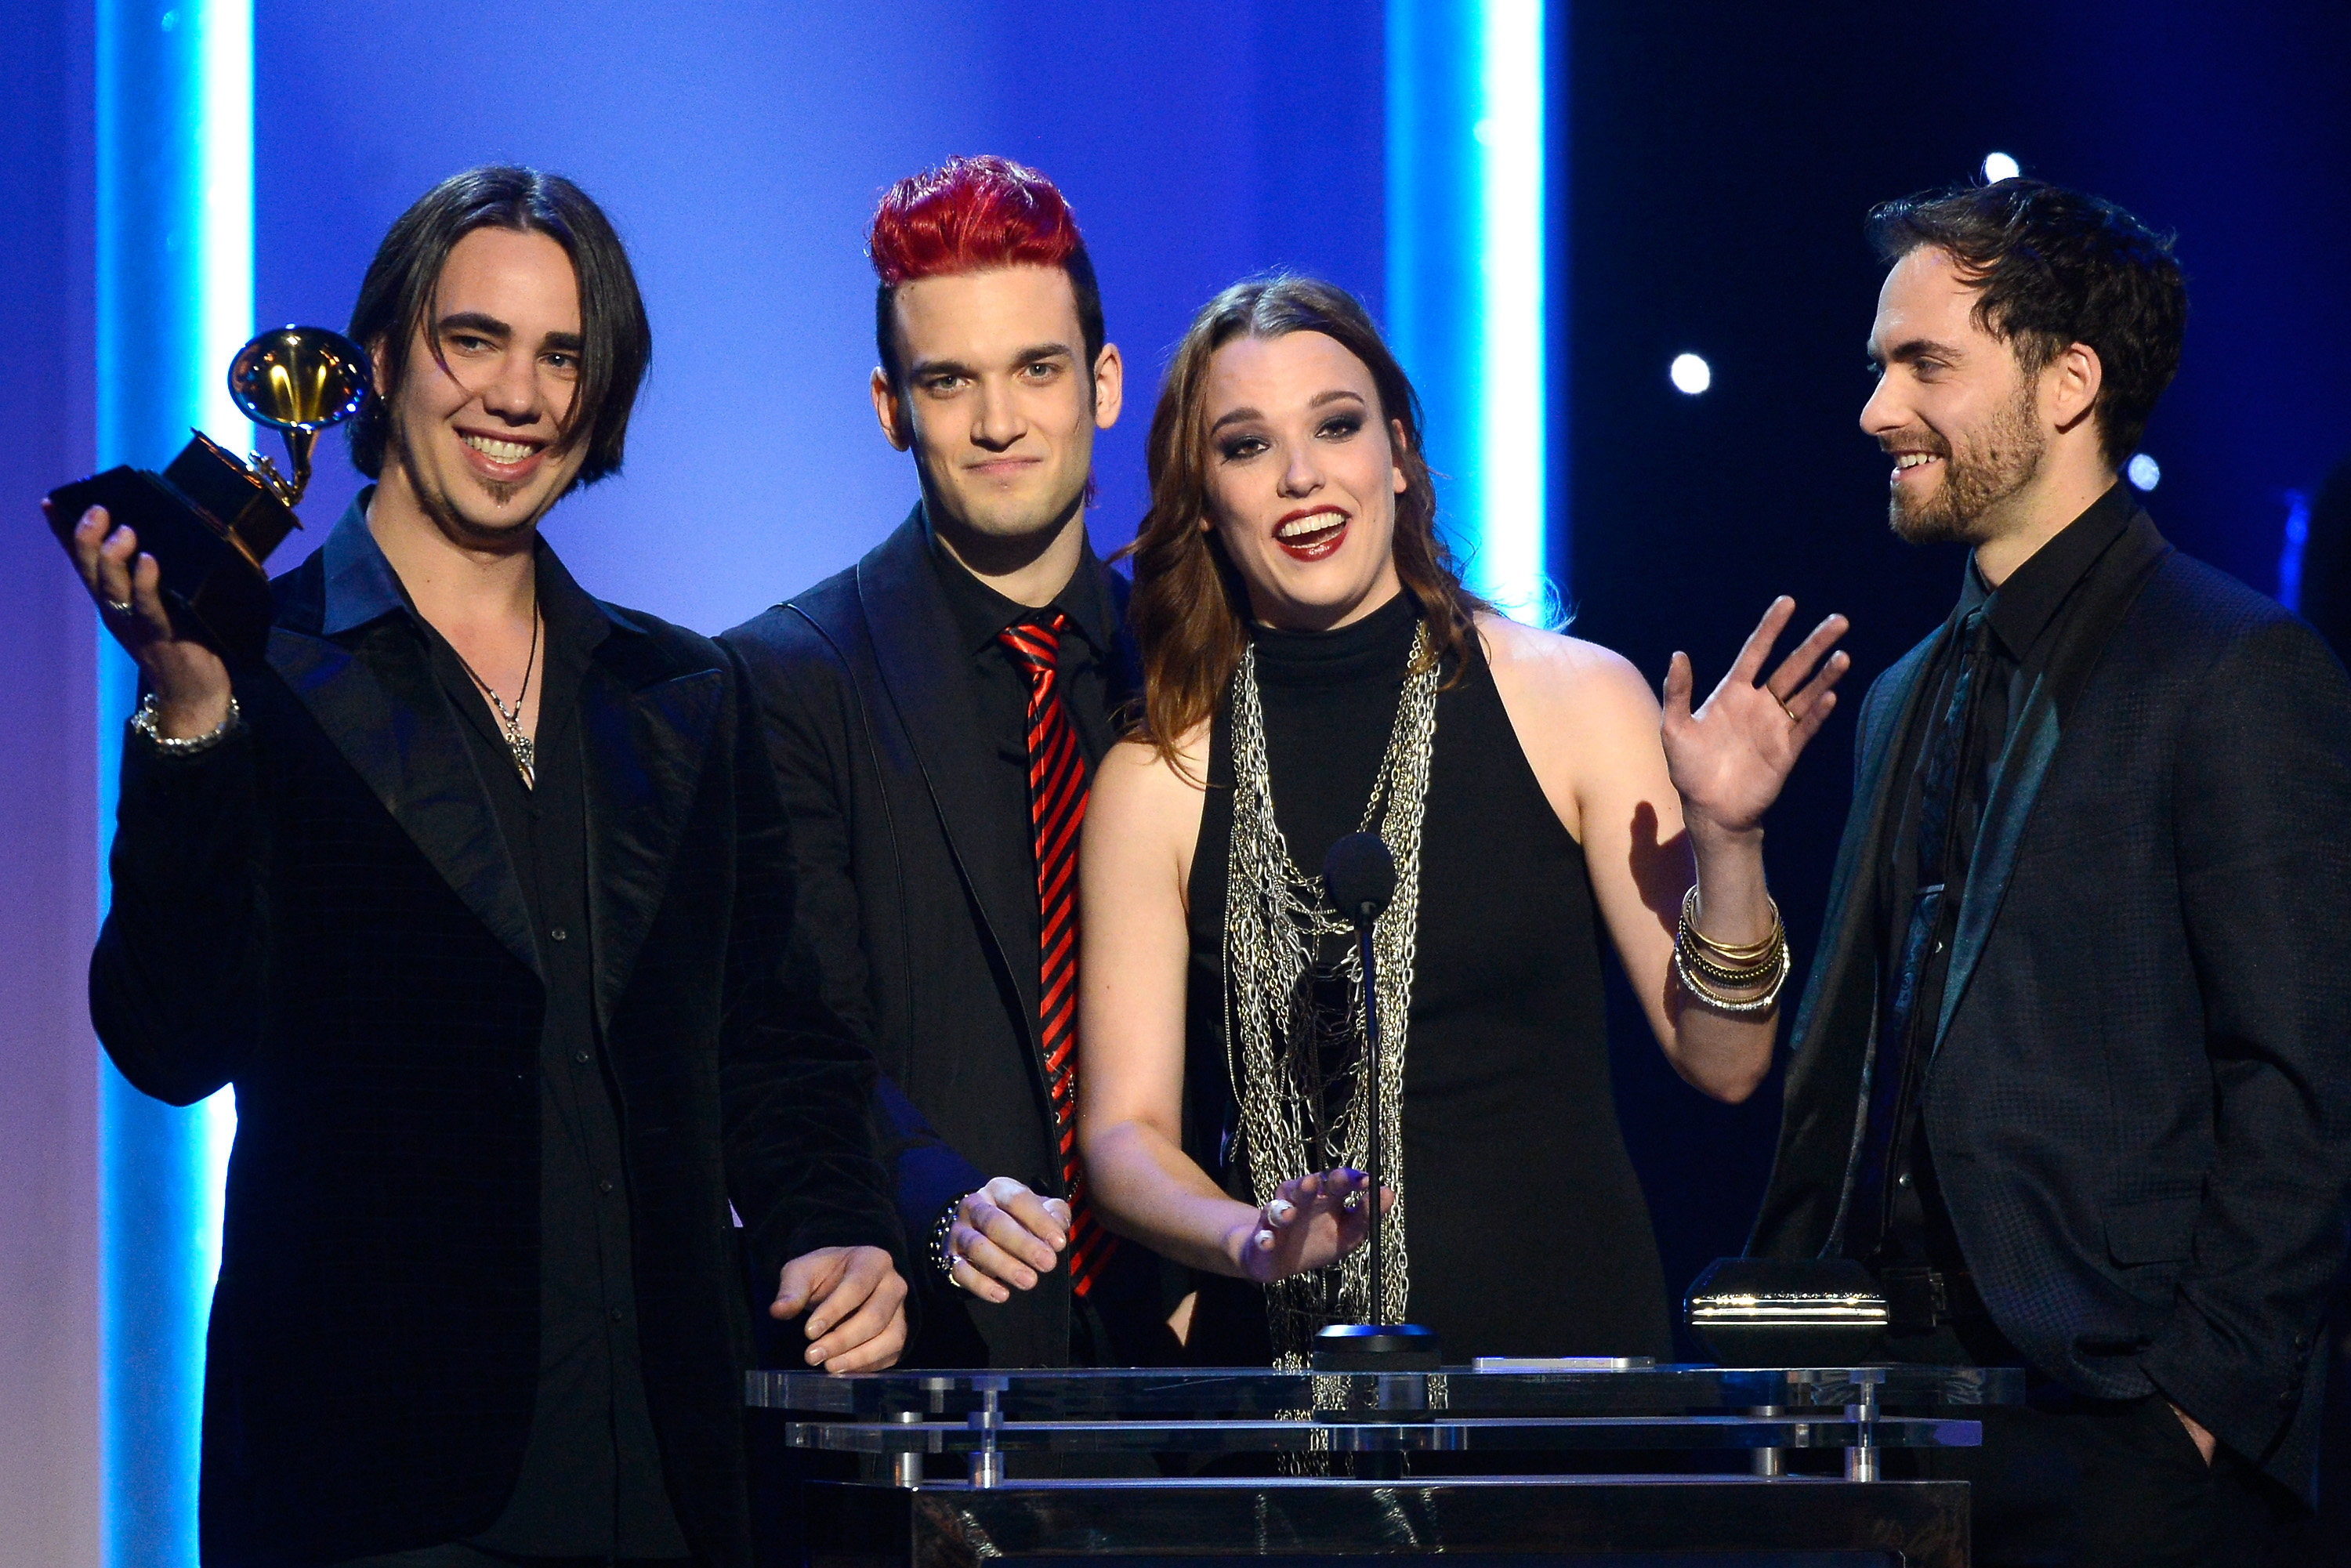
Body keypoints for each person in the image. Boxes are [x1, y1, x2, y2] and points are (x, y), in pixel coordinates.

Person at [55, 166, 907, 1568]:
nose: (517, 394)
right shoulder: (256, 673)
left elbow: (782, 1035)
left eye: (561, 353)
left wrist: (837, 1220)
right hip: (371, 1488)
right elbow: (168, 1040)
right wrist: (192, 716)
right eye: (475, 340)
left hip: (673, 1474)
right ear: (384, 361)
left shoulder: (685, 693)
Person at [1075, 274, 1848, 1366]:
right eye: (1247, 446)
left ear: (1396, 451)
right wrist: (1244, 1236)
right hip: (1287, 1404)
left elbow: (1723, 1061)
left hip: (1554, 1383)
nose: (1302, 476)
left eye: (1336, 427)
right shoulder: (1157, 780)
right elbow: (1123, 1137)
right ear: (1202, 497)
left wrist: (1728, 842)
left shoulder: (1573, 698)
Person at [1746, 178, 2351, 1566]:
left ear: (2069, 381)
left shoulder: (2234, 668)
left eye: (1925, 364)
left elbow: (2305, 1078)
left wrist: (2198, 1401)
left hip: (2120, 1433)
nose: (1876, 409)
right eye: (1879, 367)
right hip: (1893, 1425)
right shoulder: (1904, 695)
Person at [723, 156, 1179, 1370]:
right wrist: (931, 1196)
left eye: (1037, 369)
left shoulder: (1197, 671)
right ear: (890, 409)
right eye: (949, 380)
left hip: (1200, 1364)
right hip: (923, 1372)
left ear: (1103, 383)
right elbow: (792, 1028)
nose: (997, 421)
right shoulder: (783, 679)